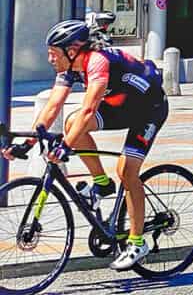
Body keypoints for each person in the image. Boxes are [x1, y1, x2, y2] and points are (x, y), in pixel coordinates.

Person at [4, 20, 168, 270]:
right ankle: (102, 185)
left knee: (127, 172)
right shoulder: (68, 68)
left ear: (72, 50)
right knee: (71, 123)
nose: (49, 58)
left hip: (149, 110)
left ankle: (137, 243)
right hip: (121, 106)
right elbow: (52, 107)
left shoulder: (97, 62)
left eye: (53, 53)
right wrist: (27, 143)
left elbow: (90, 108)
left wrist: (64, 147)